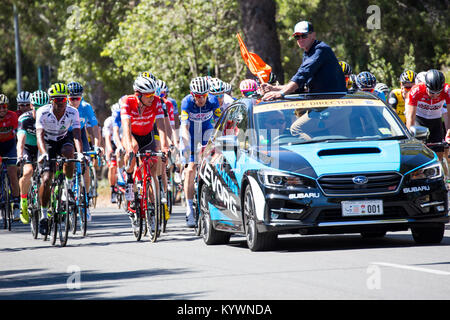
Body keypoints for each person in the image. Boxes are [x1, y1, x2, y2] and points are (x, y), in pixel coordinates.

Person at [35, 83, 83, 235]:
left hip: (63, 139)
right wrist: (43, 153)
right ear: (51, 101)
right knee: (47, 179)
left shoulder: (73, 112)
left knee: (70, 152)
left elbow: (76, 135)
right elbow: (39, 135)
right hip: (48, 142)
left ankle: (67, 187)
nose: (61, 102)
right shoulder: (42, 112)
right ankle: (43, 216)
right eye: (57, 100)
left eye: (63, 99)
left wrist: (80, 153)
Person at [262, 21, 346, 100]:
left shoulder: (321, 49)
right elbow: (300, 86)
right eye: (297, 36)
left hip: (336, 105)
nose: (300, 39)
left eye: (304, 35)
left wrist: (281, 93)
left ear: (313, 35)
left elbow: (302, 75)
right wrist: (273, 88)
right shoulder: (307, 53)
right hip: (322, 104)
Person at [121, 76, 168, 207]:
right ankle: (130, 181)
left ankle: (153, 206)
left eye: (153, 93)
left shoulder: (156, 101)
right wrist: (129, 147)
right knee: (134, 147)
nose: (152, 97)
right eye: (148, 95)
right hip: (132, 135)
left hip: (148, 135)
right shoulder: (127, 101)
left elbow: (161, 126)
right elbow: (126, 126)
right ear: (138, 94)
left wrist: (164, 147)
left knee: (154, 164)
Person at [180, 76, 221, 227]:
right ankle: (189, 209)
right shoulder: (186, 102)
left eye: (204, 95)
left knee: (216, 160)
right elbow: (184, 127)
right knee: (191, 169)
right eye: (198, 96)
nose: (201, 99)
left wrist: (217, 143)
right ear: (192, 95)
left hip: (206, 131)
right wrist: (186, 146)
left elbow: (218, 124)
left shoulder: (213, 101)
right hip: (190, 134)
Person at [16, 90, 49, 223]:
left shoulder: (49, 117)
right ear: (31, 106)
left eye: (43, 107)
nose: (40, 110)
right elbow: (21, 140)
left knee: (47, 176)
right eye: (37, 107)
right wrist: (19, 156)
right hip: (28, 148)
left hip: (42, 148)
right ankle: (23, 200)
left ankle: (48, 204)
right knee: (28, 171)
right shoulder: (24, 119)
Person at [406, 69, 450, 160]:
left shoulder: (447, 90)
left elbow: (449, 114)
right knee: (419, 155)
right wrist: (410, 138)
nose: (435, 95)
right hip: (419, 120)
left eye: (438, 92)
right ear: (426, 86)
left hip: (436, 121)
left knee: (439, 157)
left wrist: (448, 134)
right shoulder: (416, 90)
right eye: (432, 92)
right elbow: (410, 117)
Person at [0, 94, 20, 220]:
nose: (2, 109)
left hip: (10, 145)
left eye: (4, 106)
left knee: (13, 173)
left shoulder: (12, 116)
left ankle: (17, 204)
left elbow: (19, 134)